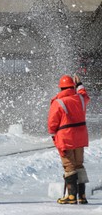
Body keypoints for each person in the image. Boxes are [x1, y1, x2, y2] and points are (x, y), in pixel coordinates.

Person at [48, 74, 90, 204]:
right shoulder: (81, 99)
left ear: (61, 88)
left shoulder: (58, 102)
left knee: (69, 166)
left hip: (66, 138)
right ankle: (82, 196)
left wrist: (53, 135)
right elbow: (84, 94)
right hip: (80, 137)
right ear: (72, 86)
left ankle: (71, 196)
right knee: (79, 164)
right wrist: (80, 84)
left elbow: (52, 123)